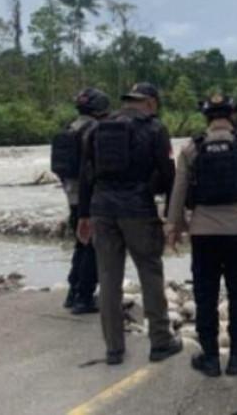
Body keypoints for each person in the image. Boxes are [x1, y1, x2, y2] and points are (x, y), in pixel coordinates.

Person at [167, 94, 237, 377]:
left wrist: (173, 227)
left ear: (206, 117)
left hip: (203, 235)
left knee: (205, 297)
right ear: (233, 115)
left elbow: (178, 191)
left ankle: (211, 359)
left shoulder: (191, 148)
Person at [77, 82, 182, 366]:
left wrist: (83, 216)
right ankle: (160, 341)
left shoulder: (97, 128)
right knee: (150, 272)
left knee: (108, 277)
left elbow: (86, 174)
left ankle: (113, 349)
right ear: (150, 103)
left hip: (101, 210)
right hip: (138, 210)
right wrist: (173, 219)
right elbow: (169, 175)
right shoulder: (154, 129)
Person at [51, 88, 109, 314]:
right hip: (90, 197)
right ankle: (84, 298)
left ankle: (72, 293)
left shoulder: (70, 129)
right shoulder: (96, 130)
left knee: (80, 244)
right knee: (92, 248)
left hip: (71, 195)